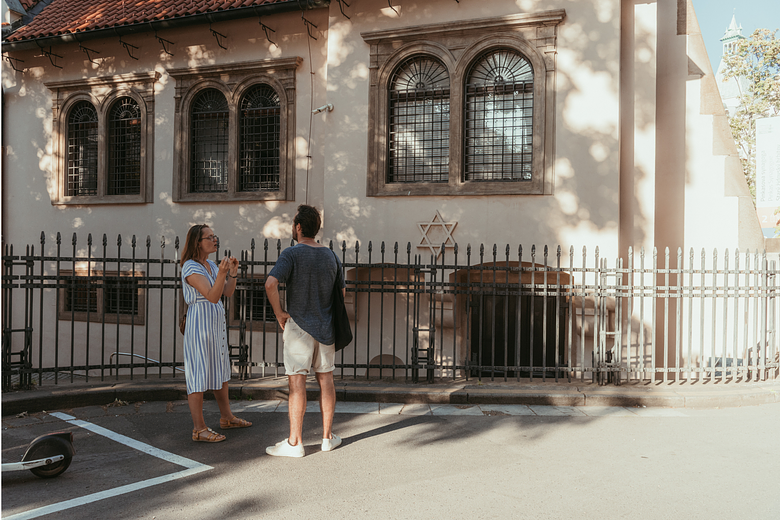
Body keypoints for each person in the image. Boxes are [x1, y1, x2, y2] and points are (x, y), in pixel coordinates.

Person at [264, 205, 345, 457]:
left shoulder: (291, 254)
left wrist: (279, 313)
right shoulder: (332, 256)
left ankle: (295, 442)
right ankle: (327, 438)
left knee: (297, 383)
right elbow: (342, 294)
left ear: (298, 227)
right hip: (326, 327)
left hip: (298, 326)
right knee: (326, 380)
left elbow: (270, 284)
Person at [181, 224, 252, 442]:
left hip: (214, 325)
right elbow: (211, 296)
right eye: (209, 237)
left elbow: (227, 292)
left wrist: (231, 274)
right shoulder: (190, 267)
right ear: (197, 242)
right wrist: (222, 273)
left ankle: (226, 417)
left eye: (214, 236)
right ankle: (199, 428)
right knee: (198, 373)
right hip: (199, 326)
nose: (214, 240)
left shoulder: (211, 265)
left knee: (220, 370)